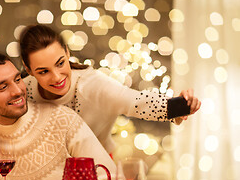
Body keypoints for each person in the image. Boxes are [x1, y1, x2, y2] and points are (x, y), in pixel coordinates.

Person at [19, 24, 202, 154]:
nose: (57, 77)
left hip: (98, 171)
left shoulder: (92, 85)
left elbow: (136, 102)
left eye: (60, 63)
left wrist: (179, 107)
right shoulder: (24, 90)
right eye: (43, 72)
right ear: (28, 70)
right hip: (45, 178)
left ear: (67, 52)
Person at [0, 52, 116, 180]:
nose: (17, 91)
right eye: (3, 87)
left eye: (17, 80)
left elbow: (110, 179)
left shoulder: (61, 118)